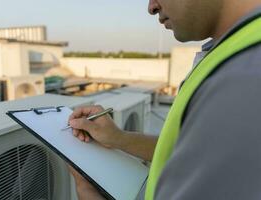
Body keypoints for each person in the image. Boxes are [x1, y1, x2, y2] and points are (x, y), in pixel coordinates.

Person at [68, 0, 261, 199]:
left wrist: (88, 192)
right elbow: (186, 153)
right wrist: (118, 138)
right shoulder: (230, 50)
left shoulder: (246, 75)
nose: (151, 7)